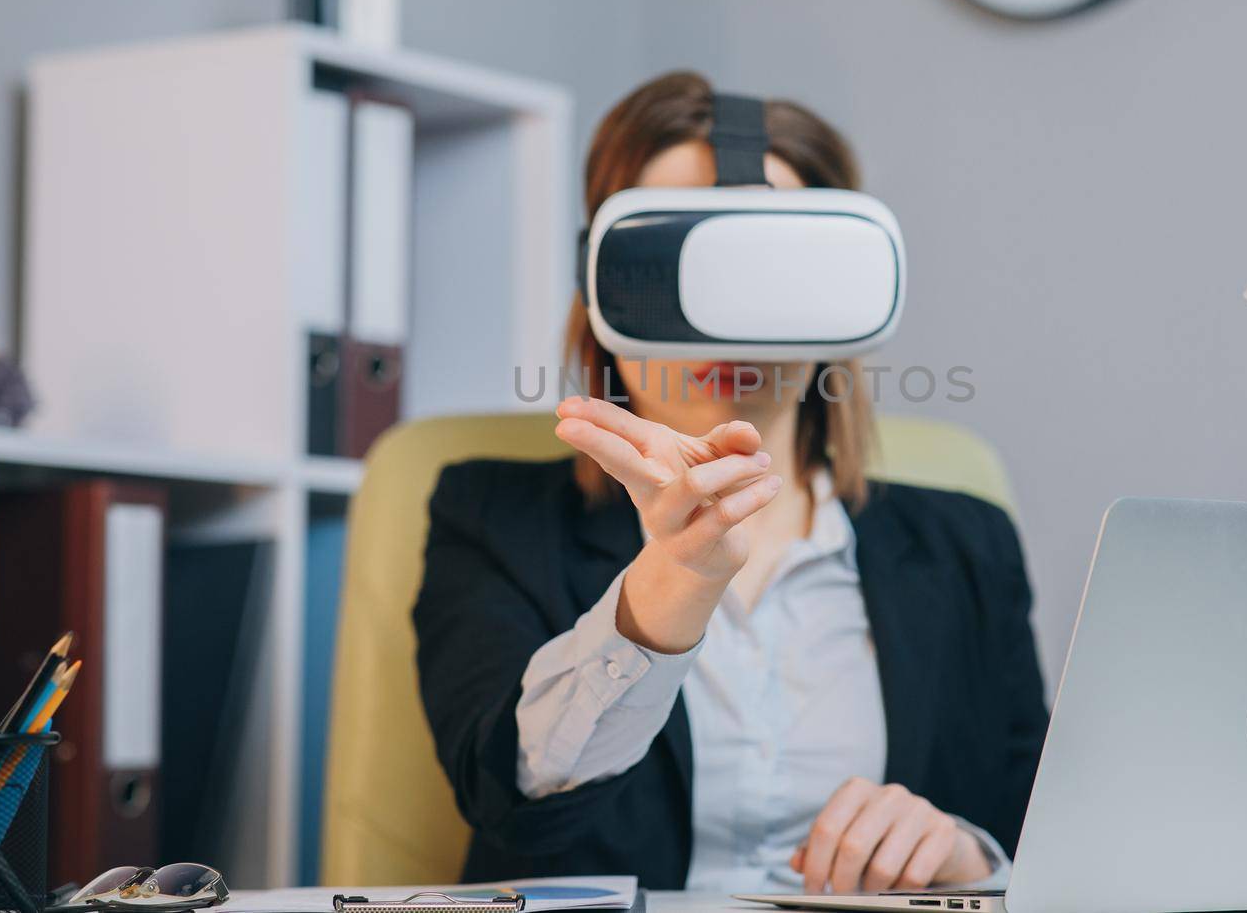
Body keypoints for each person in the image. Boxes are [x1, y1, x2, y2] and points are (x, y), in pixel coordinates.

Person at [413, 71, 1048, 894]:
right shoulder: (491, 515)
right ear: (600, 285)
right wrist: (666, 593)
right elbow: (511, 796)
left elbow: (1042, 835)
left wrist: (964, 860)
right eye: (674, 256)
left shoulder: (969, 543)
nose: (724, 312)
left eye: (772, 264)